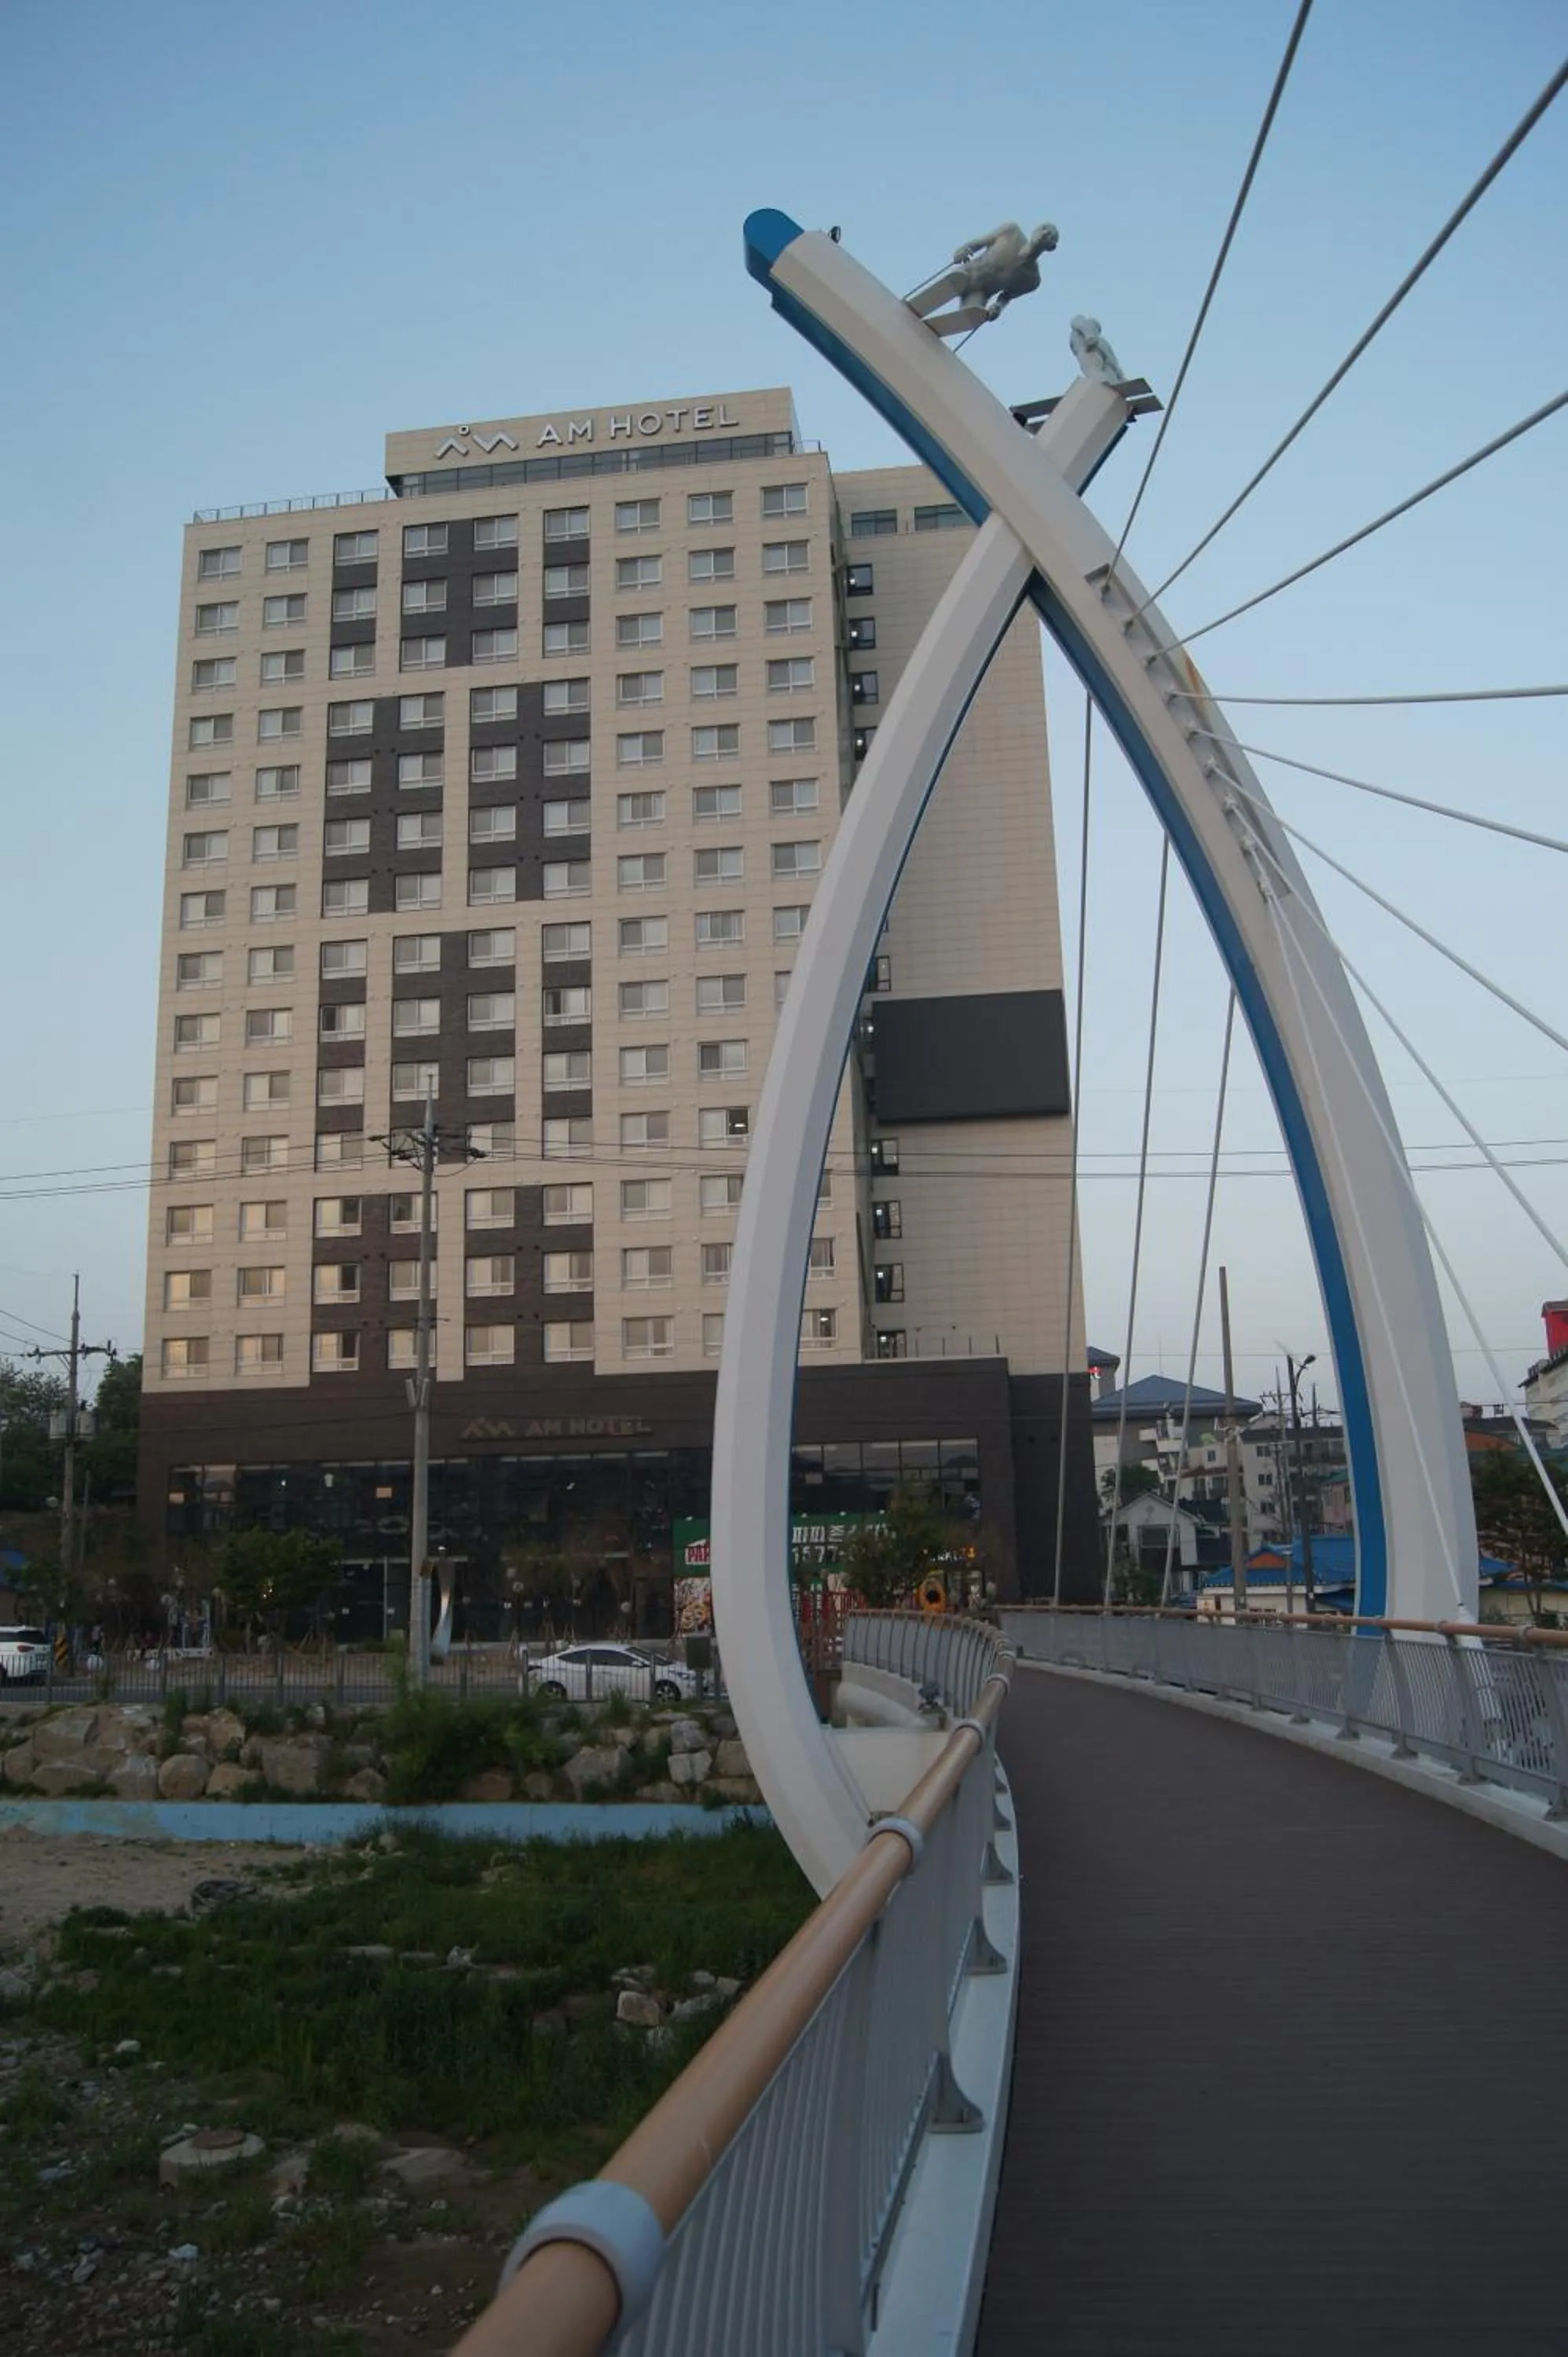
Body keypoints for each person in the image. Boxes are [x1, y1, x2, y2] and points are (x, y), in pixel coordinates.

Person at [910, 222, 1059, 339]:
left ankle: (934, 333)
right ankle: (921, 304)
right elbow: (979, 243)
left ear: (1051, 247)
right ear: (1035, 230)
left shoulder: (1031, 279)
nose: (1045, 233)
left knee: (973, 314)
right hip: (966, 274)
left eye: (1051, 236)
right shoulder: (1011, 232)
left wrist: (998, 307)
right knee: (957, 280)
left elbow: (1006, 297)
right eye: (1044, 228)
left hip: (980, 294)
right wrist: (964, 249)